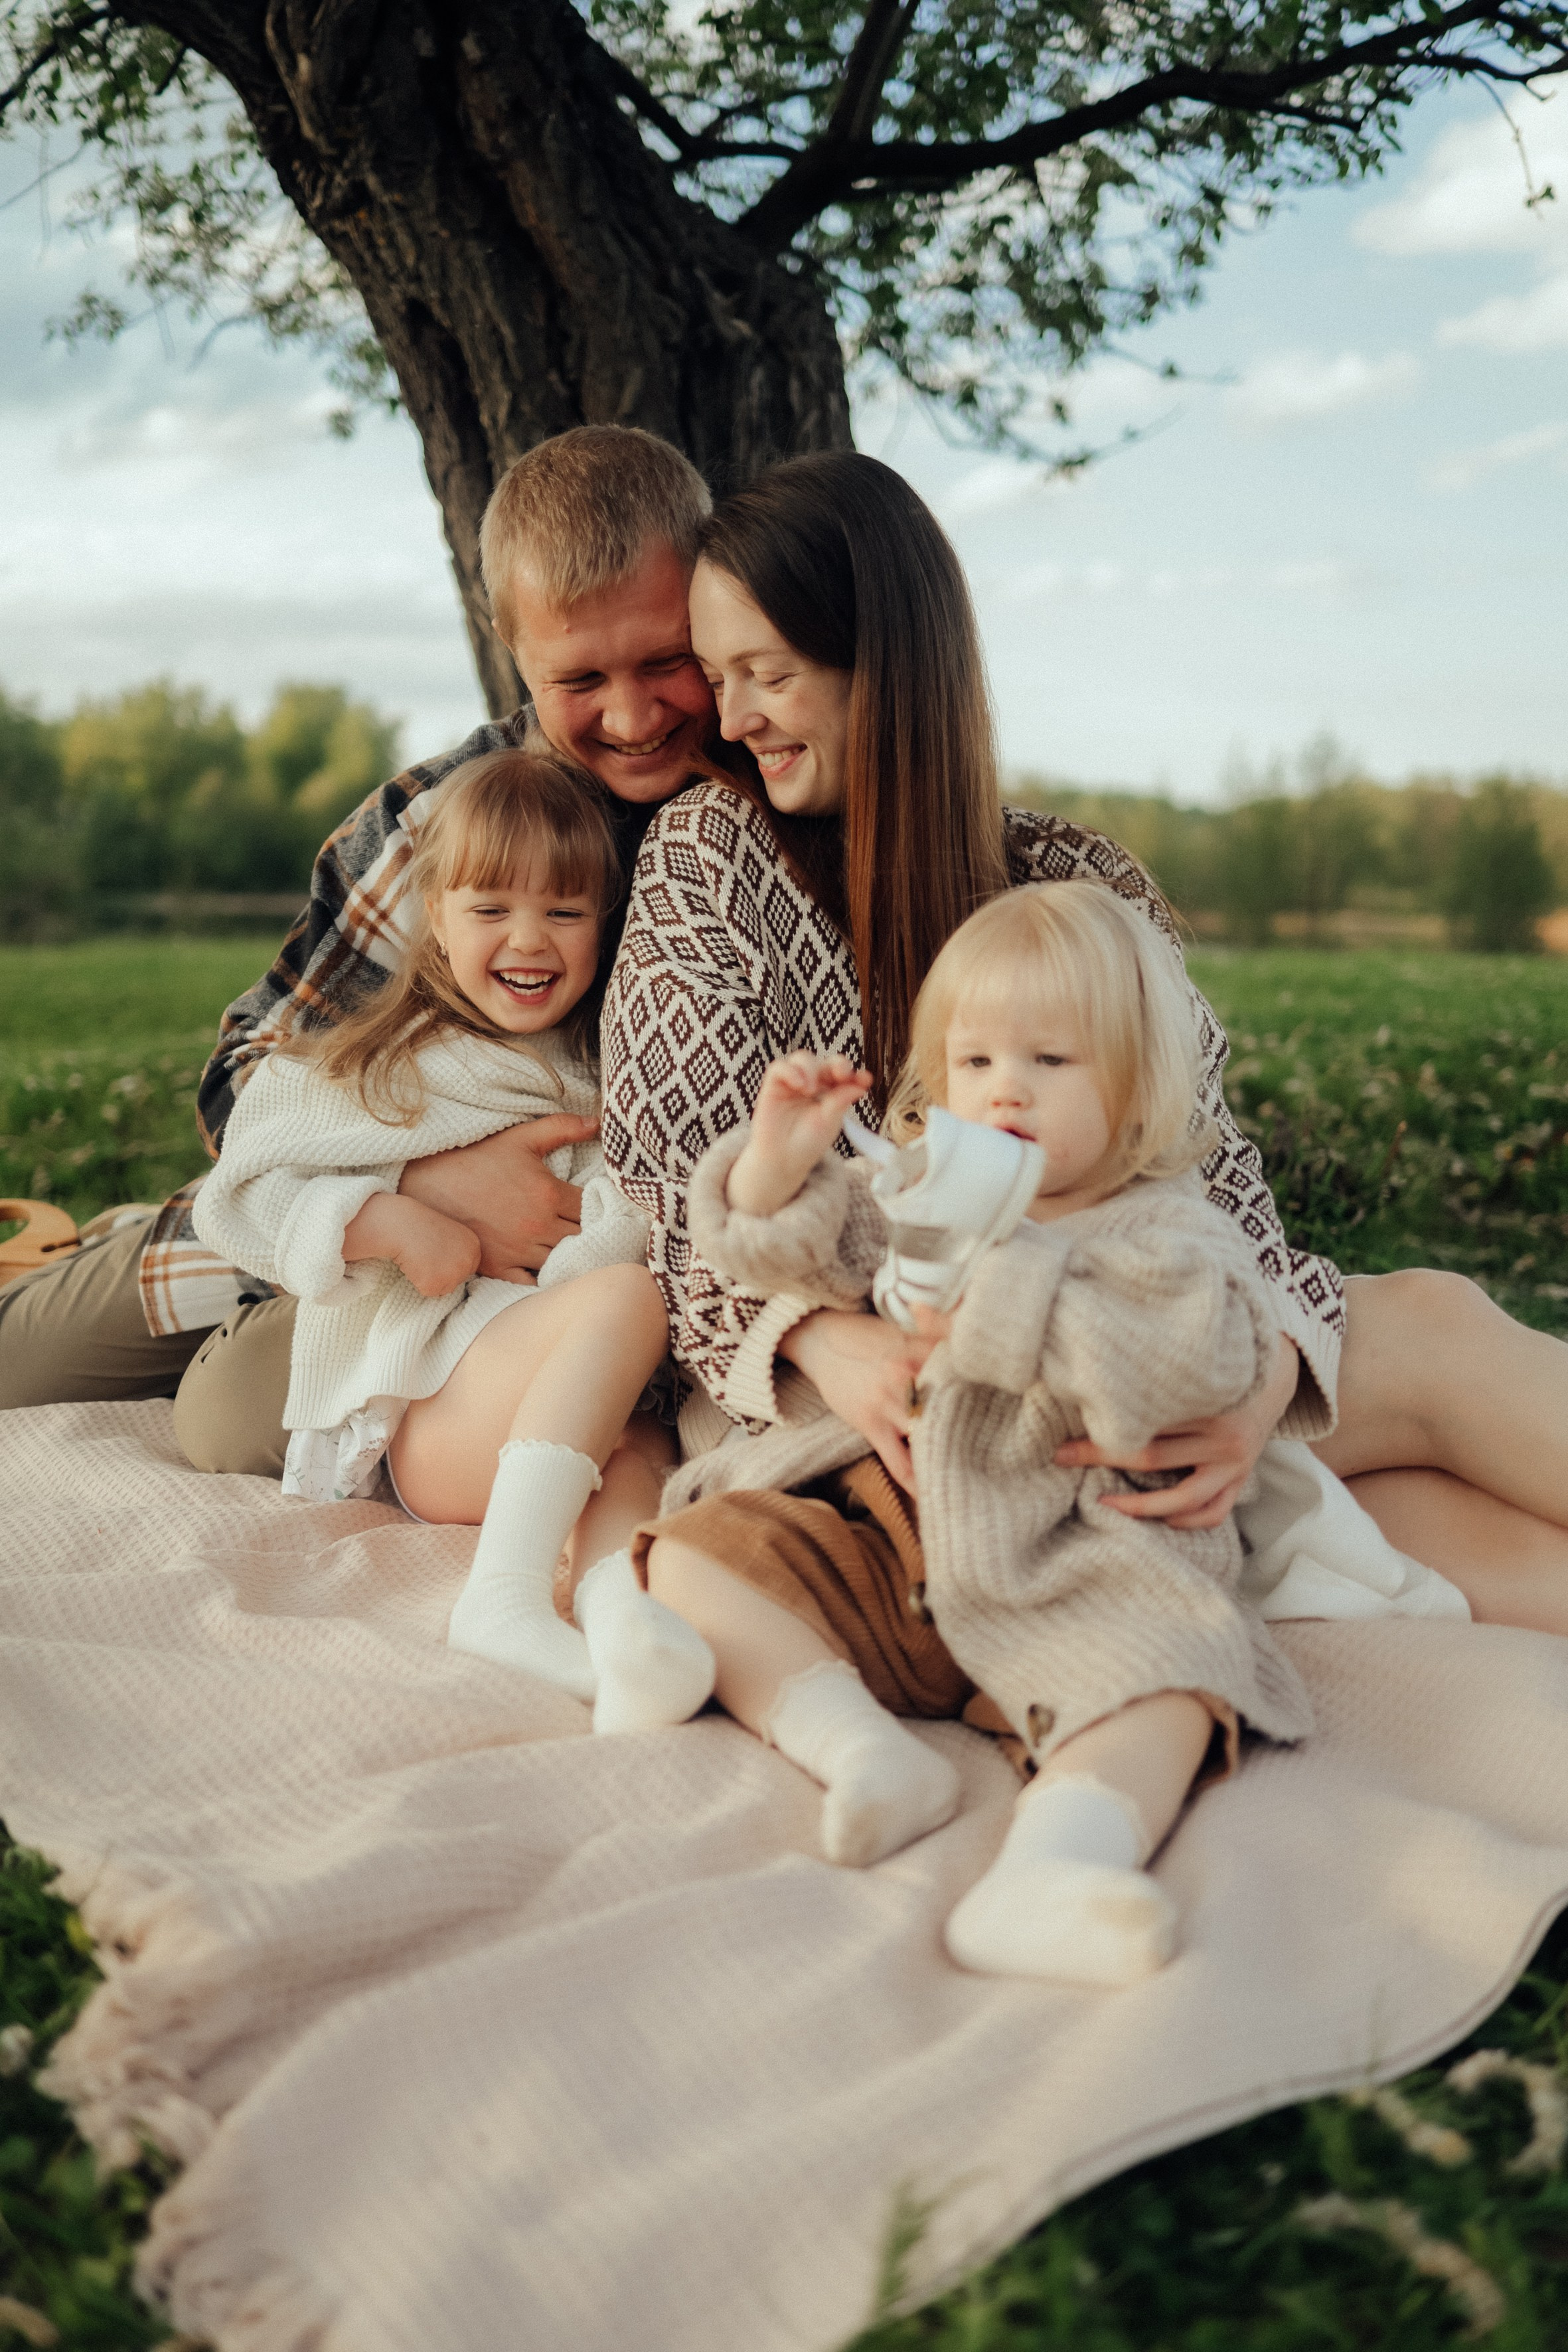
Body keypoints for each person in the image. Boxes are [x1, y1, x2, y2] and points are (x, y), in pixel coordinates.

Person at [601, 446, 1568, 1632]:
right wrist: (829, 1345)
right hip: (873, 1395)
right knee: (1314, 1479)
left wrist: (1259, 1381)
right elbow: (669, 1189)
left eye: (768, 674)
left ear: (887, 662)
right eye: (718, 676)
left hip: (1126, 1346)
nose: (732, 717)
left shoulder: (1074, 881)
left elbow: (1209, 1167)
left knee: (1426, 1331)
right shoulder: (706, 857)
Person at [639, 879, 1320, 1986]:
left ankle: (1055, 1867)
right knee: (692, 1558)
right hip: (893, 1541)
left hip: (1075, 1562)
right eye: (975, 1061)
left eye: (1051, 1060)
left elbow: (1187, 1363)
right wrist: (776, 1164)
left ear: (1137, 1084)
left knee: (1180, 1673)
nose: (1006, 1089)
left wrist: (1003, 1290)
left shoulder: (1172, 1230)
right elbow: (790, 1257)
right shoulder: (926, 1189)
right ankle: (861, 1751)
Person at [0, 426, 716, 1467]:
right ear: (511, 646)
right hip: (315, 1217)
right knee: (15, 1367)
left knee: (244, 1414)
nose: (633, 712)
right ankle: (97, 1249)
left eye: (666, 660)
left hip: (497, 1298)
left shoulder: (749, 825)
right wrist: (417, 1184)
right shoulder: (441, 824)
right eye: (580, 677)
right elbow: (244, 1079)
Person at [191, 745, 713, 1735]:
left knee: (642, 1448)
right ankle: (501, 1600)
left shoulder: (604, 1065)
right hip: (426, 1412)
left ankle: (621, 1625)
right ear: (436, 915)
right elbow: (242, 1189)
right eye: (491, 909)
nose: (530, 939)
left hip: (529, 1403)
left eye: (565, 912)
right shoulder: (394, 1064)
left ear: (604, 923)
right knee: (625, 1300)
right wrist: (381, 1217)